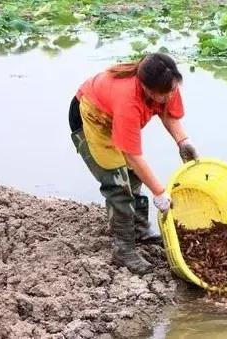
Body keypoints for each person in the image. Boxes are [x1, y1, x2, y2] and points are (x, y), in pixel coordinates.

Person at [68, 53, 198, 274]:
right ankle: (123, 249)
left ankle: (139, 230)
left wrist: (183, 141)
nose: (171, 96)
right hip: (92, 118)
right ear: (147, 89)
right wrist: (159, 193)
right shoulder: (128, 99)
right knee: (117, 183)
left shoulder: (168, 84)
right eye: (164, 94)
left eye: (173, 91)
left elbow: (167, 112)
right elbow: (132, 155)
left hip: (115, 116)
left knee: (134, 176)